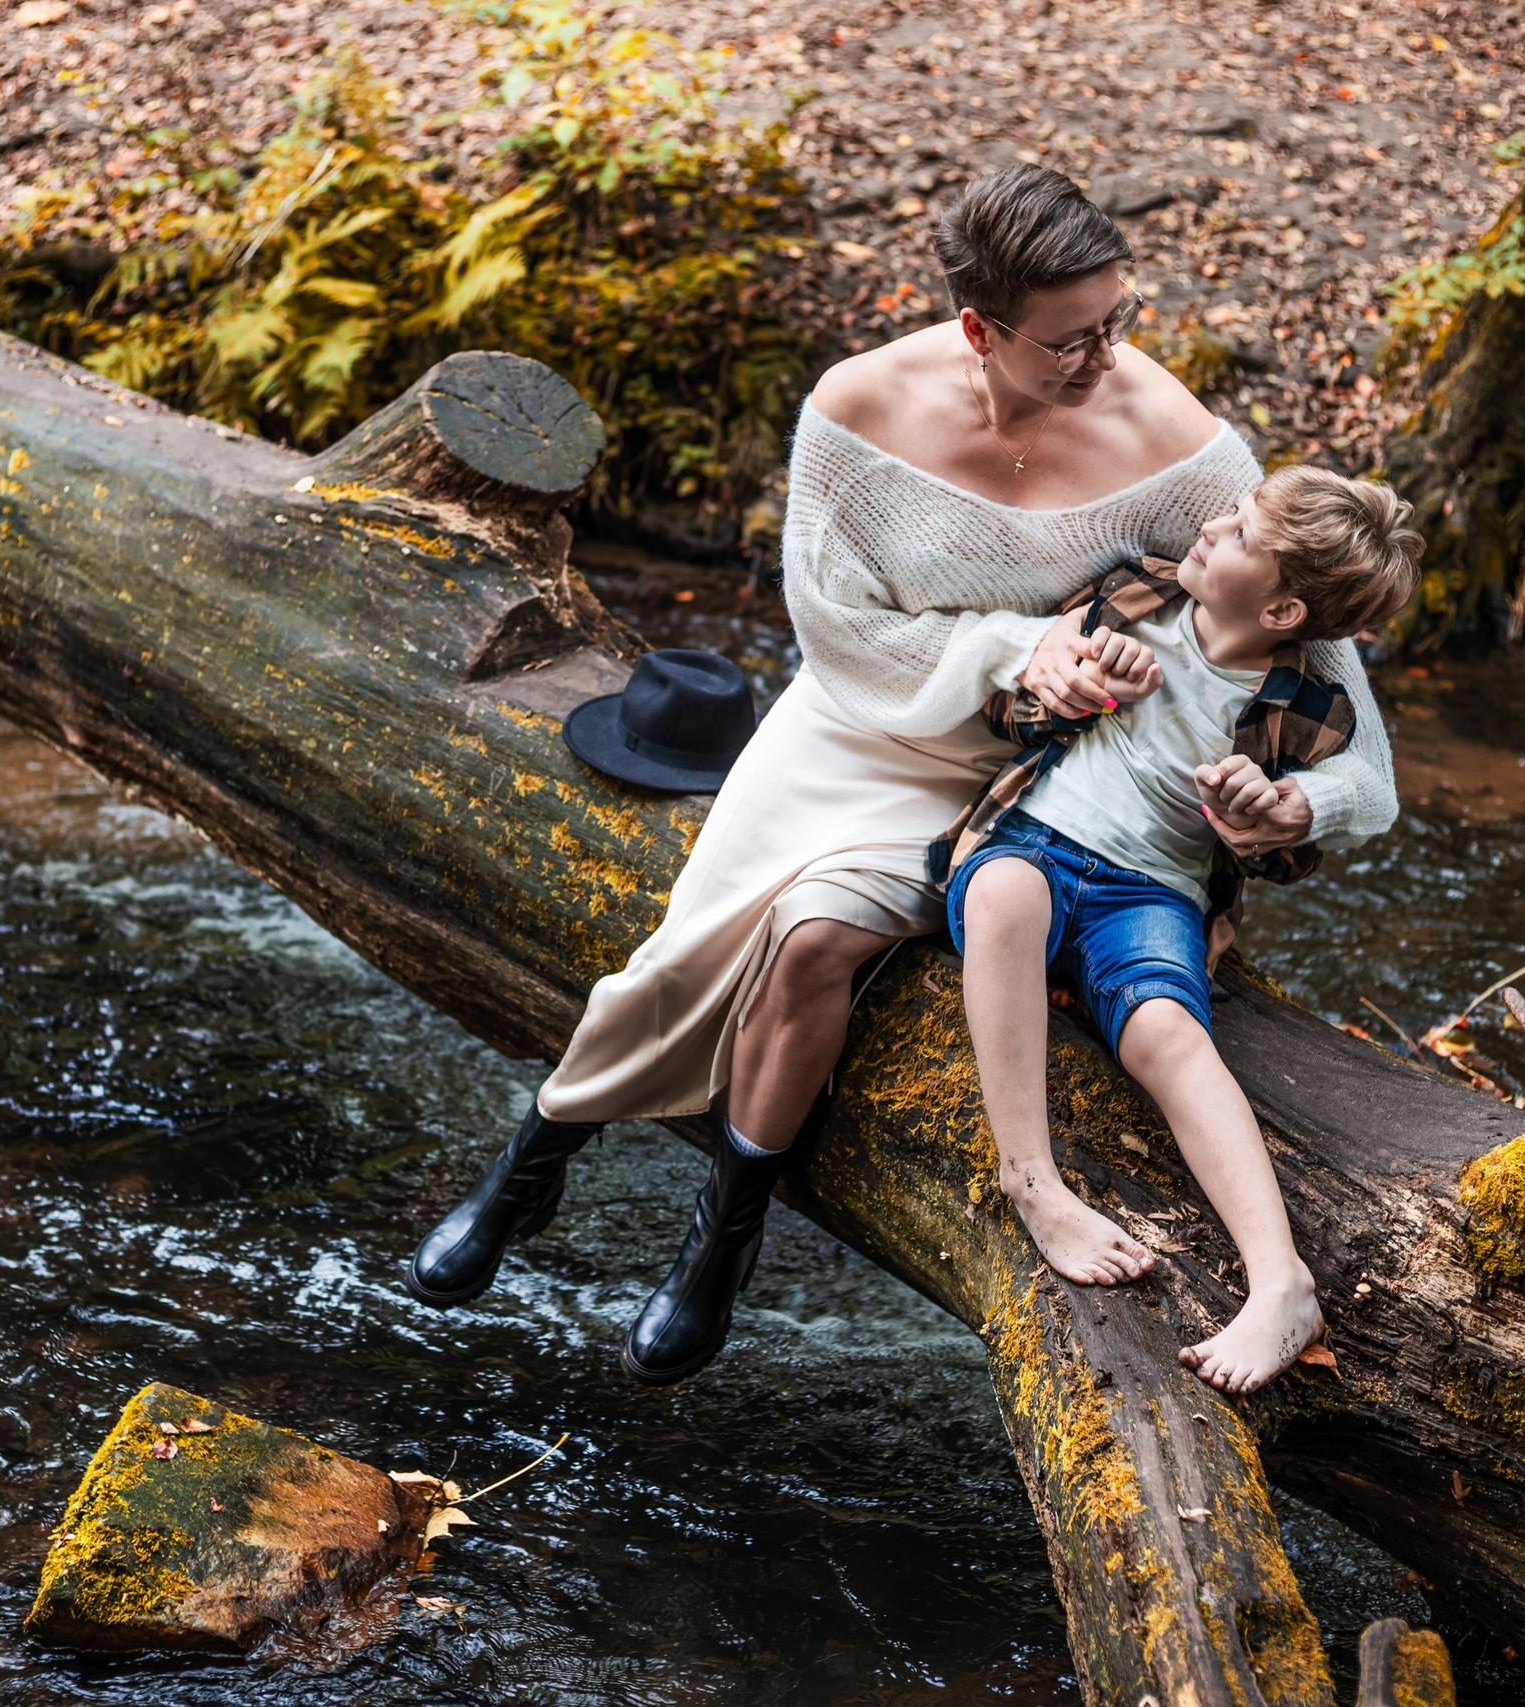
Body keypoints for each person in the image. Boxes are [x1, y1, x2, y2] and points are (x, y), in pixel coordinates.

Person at [404, 164, 1398, 1385]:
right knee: (688, 943)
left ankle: (721, 1241)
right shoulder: (854, 409)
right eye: (1068, 340)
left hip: (1029, 775)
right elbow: (833, 629)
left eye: (1116, 322)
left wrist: (1298, 799)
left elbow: (1330, 677)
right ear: (978, 326)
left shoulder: (1184, 444)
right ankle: (534, 1166)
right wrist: (1014, 649)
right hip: (864, 718)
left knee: (815, 941)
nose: (1103, 359)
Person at [946, 469, 1421, 1394]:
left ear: (1284, 609)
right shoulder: (1129, 597)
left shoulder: (1305, 711)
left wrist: (1264, 805)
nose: (1210, 525)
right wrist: (1080, 685)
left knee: (1168, 1030)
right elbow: (1009, 707)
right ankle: (1031, 1183)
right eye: (1232, 515)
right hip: (1035, 839)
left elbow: (1288, 852)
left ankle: (1281, 1280)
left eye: (1240, 534)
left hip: (1153, 893)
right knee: (1003, 894)